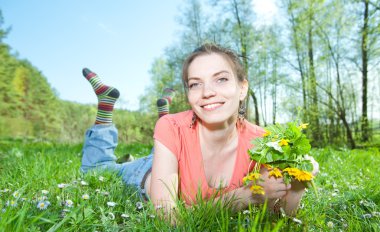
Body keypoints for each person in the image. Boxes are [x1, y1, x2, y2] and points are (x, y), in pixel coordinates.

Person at [80, 43, 319, 220]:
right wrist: (247, 196)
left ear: (242, 88)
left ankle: (148, 143)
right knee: (96, 170)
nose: (207, 92)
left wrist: (298, 185)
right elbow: (167, 219)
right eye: (195, 84)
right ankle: (105, 107)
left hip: (171, 156)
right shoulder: (172, 127)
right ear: (188, 93)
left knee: (168, 134)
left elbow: (279, 216)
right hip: (148, 174)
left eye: (221, 79)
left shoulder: (264, 144)